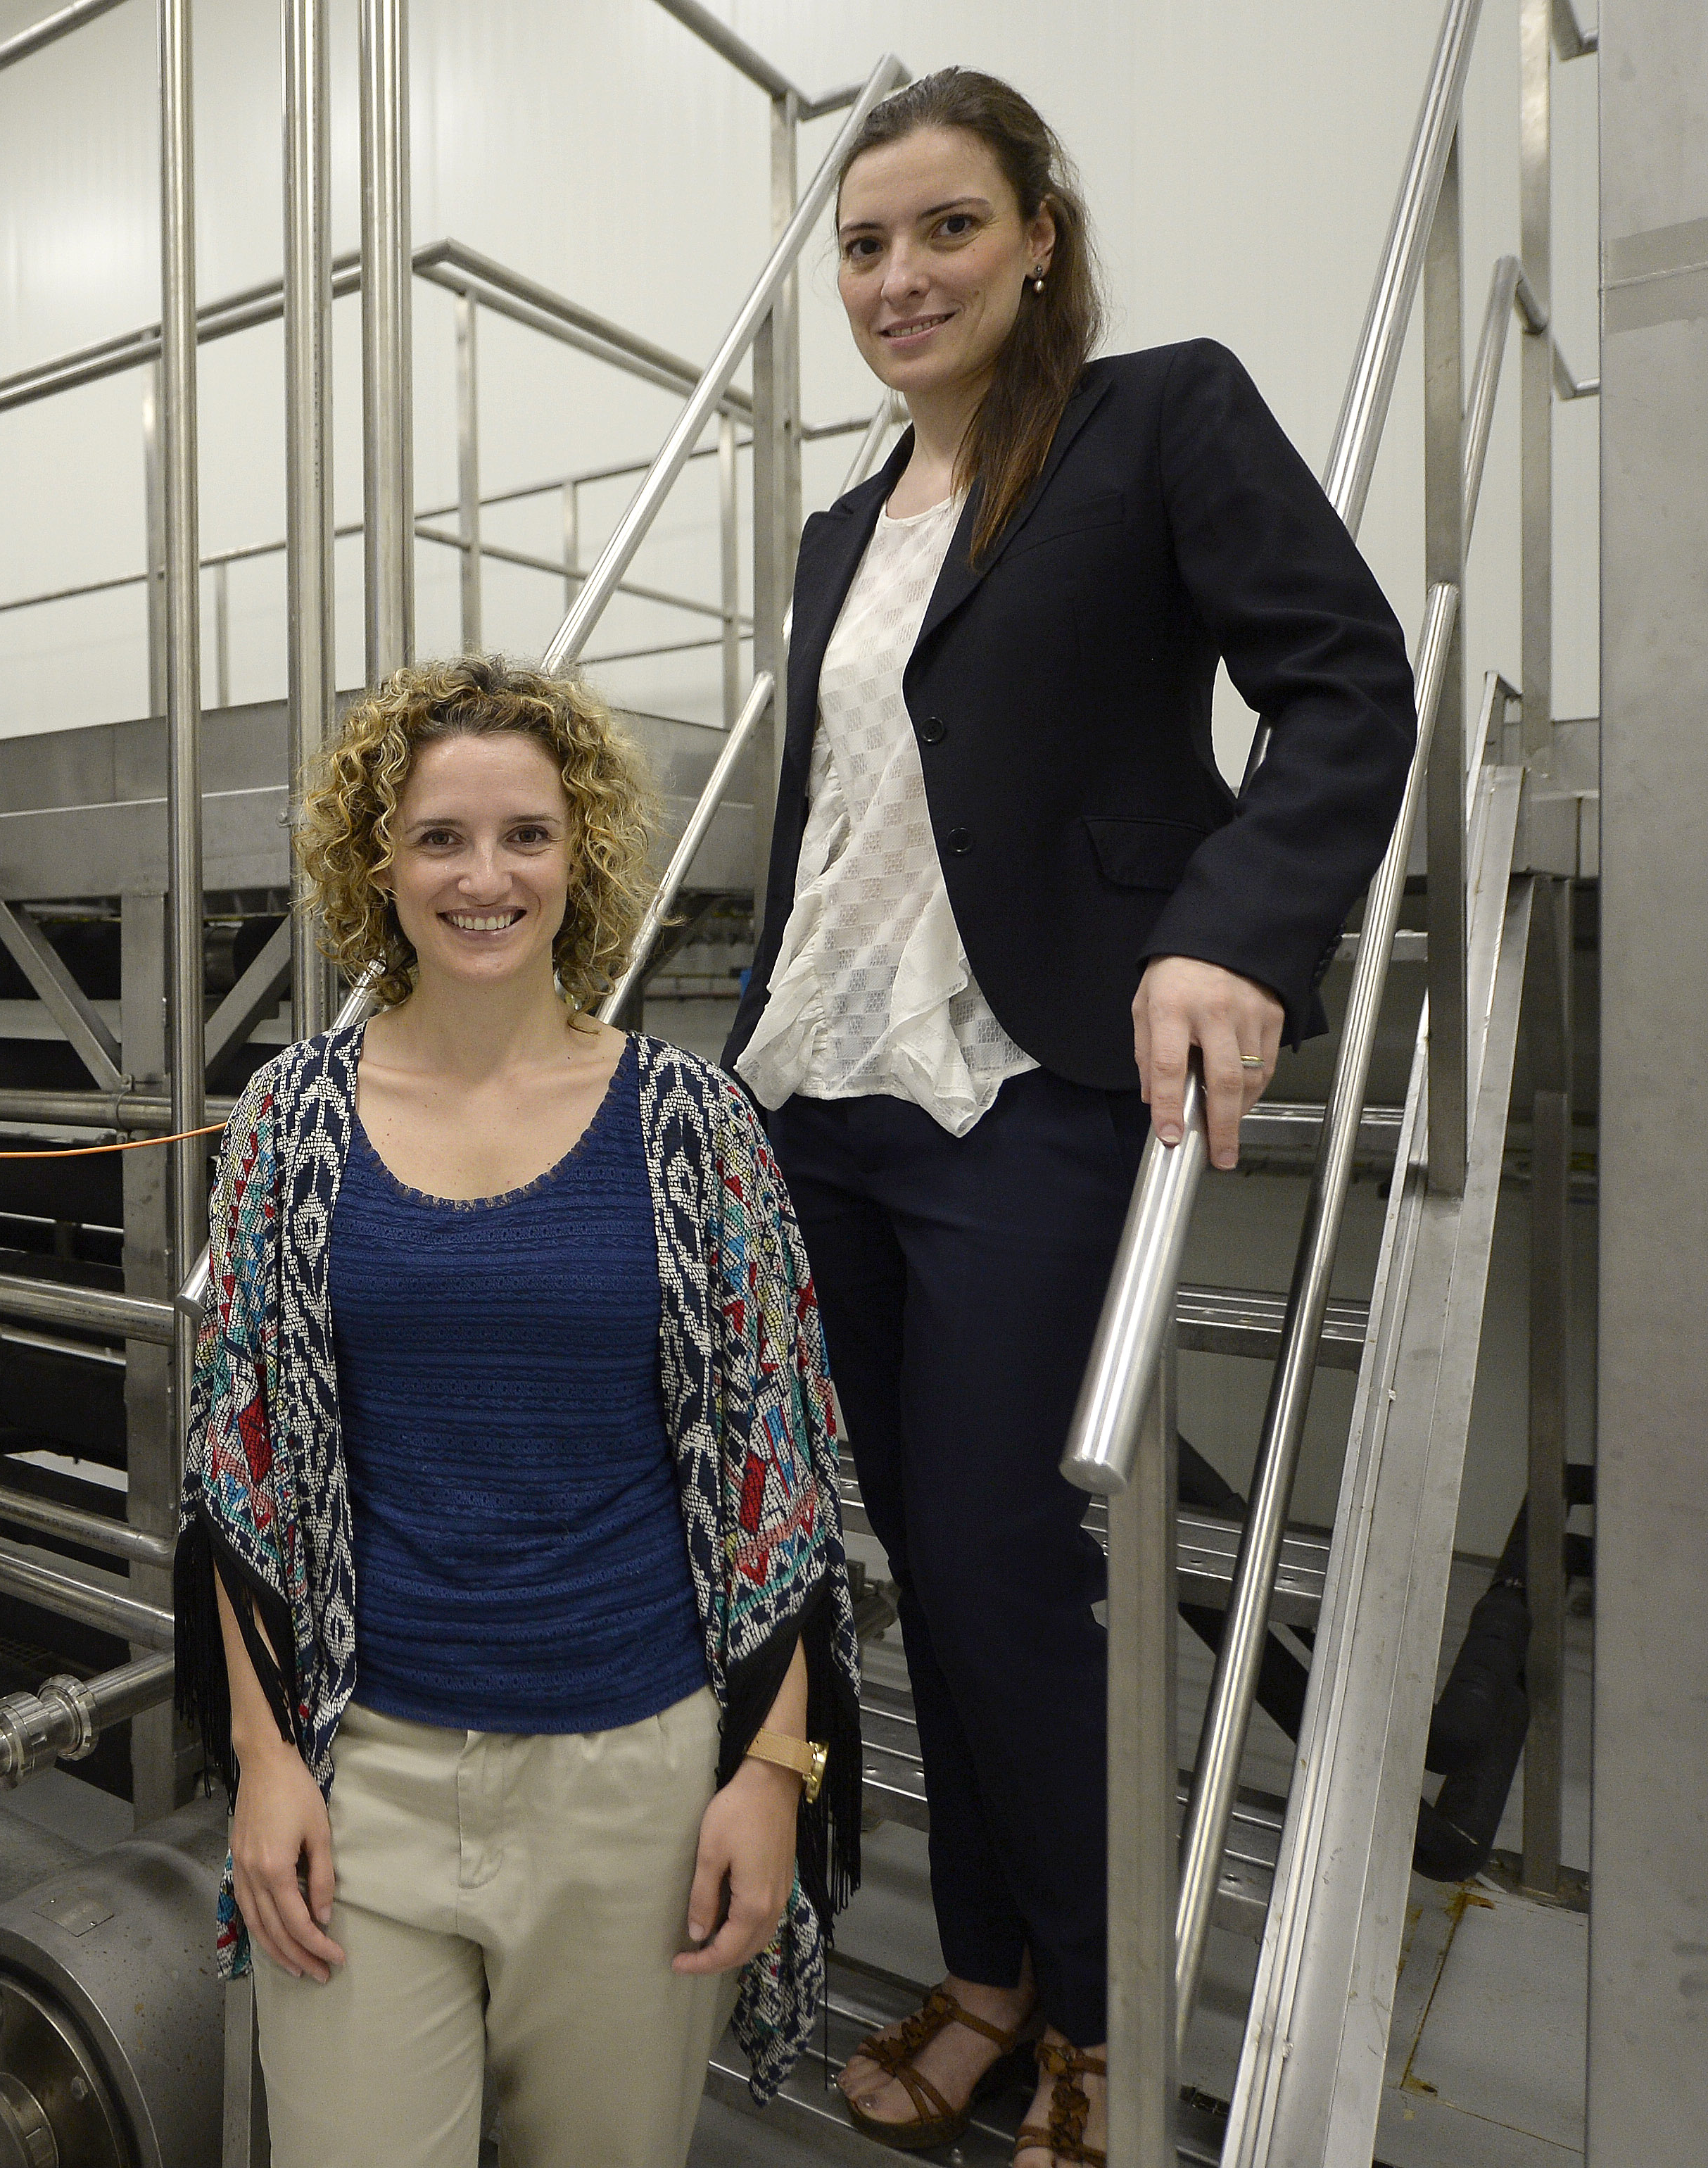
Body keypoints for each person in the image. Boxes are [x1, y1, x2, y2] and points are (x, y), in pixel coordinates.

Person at [727, 72, 1416, 2167]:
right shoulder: (837, 530)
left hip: (1024, 1080)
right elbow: (834, 818)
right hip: (819, 1103)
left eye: (945, 227)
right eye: (863, 245)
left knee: (1003, 1558)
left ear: (1039, 235)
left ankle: (1104, 2009)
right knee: (920, 1564)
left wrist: (1229, 932)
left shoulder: (1156, 420)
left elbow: (1345, 680)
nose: (898, 276)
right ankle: (991, 1970)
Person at [176, 655, 864, 2166]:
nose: (484, 878)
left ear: (581, 855)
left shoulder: (696, 1128)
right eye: (441, 837)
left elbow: (783, 1475)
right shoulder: (288, 1120)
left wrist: (772, 1771)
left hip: (636, 1785)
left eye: (525, 836)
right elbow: (238, 1467)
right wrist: (267, 1762)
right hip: (365, 1774)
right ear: (379, 864)